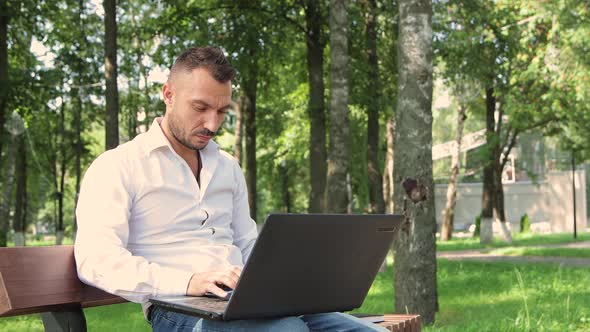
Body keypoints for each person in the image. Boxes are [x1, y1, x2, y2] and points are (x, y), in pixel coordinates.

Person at [74, 46, 387, 332]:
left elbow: (247, 244)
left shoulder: (227, 167)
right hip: (178, 309)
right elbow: (95, 259)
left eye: (222, 111)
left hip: (248, 301)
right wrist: (189, 281)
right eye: (200, 107)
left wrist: (287, 281)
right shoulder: (118, 166)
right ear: (168, 94)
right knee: (288, 331)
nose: (212, 123)